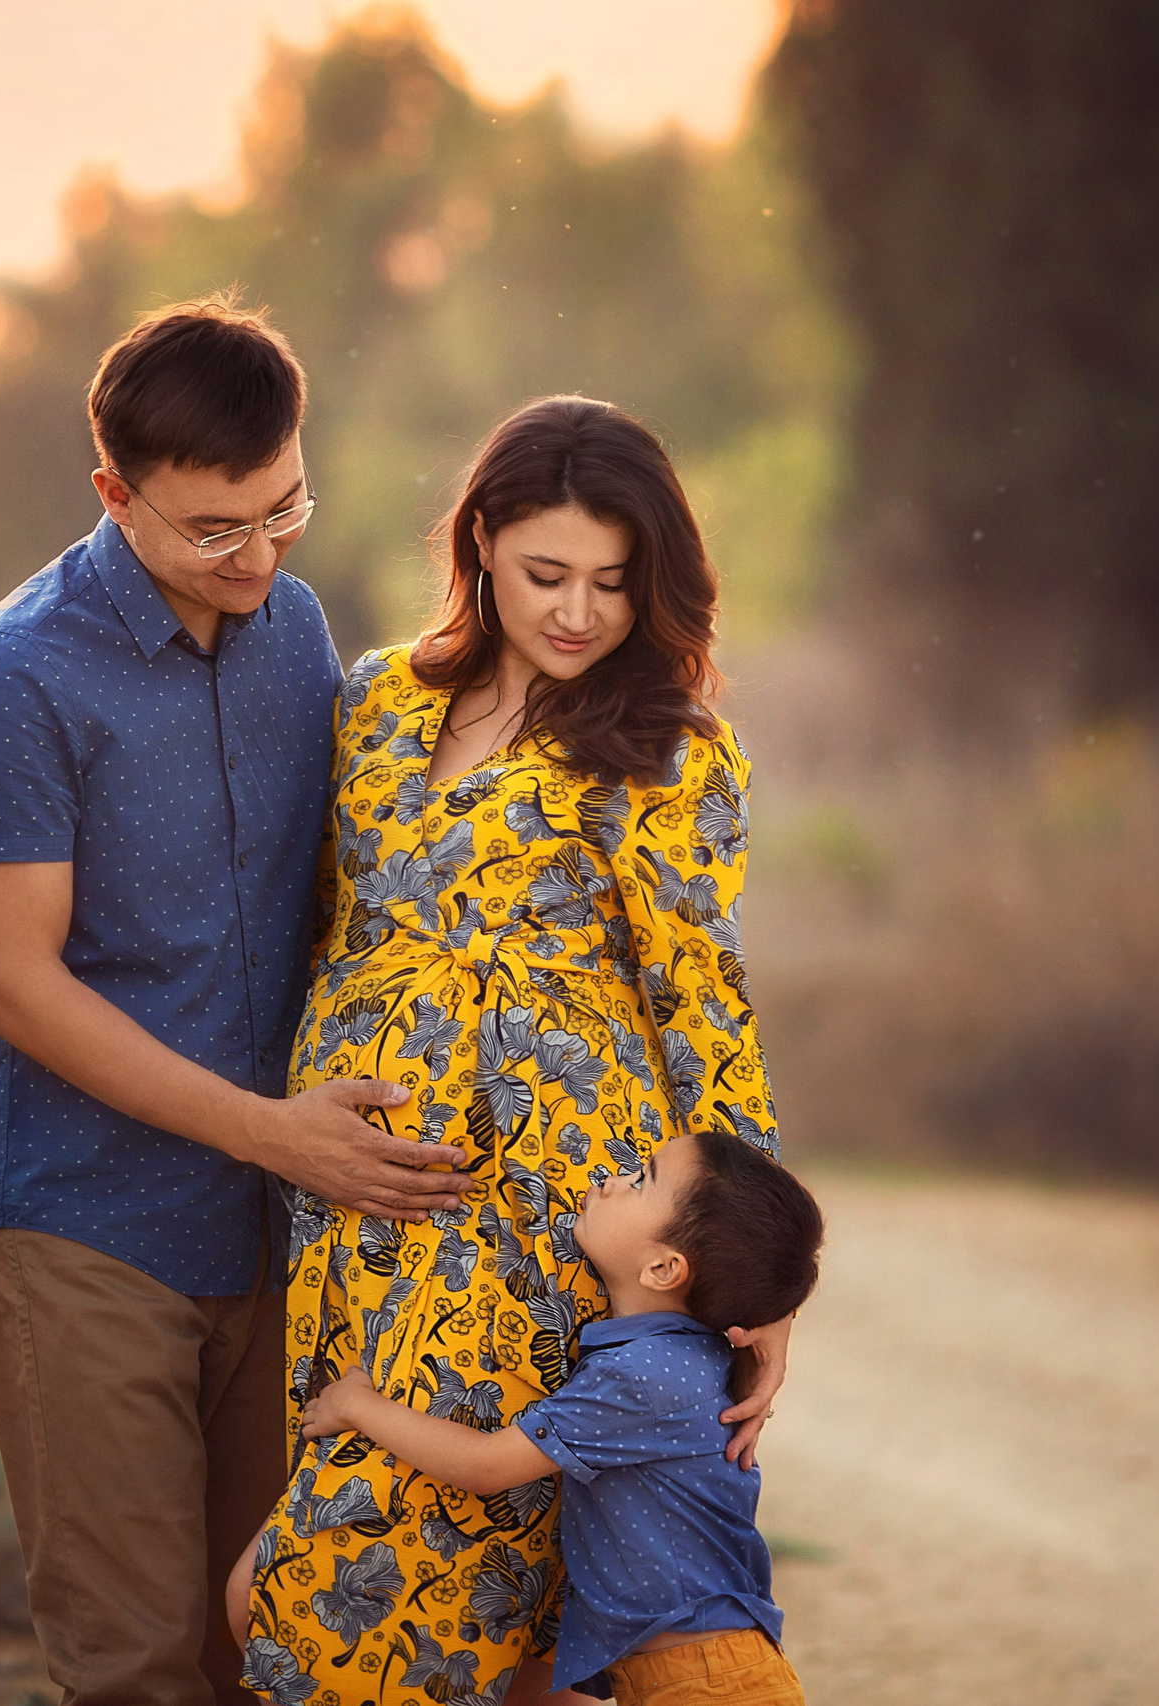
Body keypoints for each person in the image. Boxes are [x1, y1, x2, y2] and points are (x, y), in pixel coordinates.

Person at [0, 295, 485, 1705]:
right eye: (215, 529)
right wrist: (271, 1130)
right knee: (137, 1668)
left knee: (275, 1647)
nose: (259, 555)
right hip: (88, 1222)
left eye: (285, 507)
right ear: (114, 494)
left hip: (284, 1233)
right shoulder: (17, 676)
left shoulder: (295, 627)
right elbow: (16, 982)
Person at [237, 395, 792, 1703]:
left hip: (543, 1224)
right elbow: (315, 925)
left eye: (613, 580)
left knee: (475, 1580)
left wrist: (756, 1276)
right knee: (321, 1568)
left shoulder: (667, 745)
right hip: (357, 1208)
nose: (580, 612)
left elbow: (705, 1001)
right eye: (547, 572)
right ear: (480, 540)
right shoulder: (376, 700)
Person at [285, 1130, 823, 1703]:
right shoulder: (687, 1356)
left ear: (664, 1269)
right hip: (705, 1667)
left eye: (641, 1180)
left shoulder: (644, 1376)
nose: (611, 1179)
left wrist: (359, 1405)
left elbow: (485, 1466)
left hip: (705, 1679)